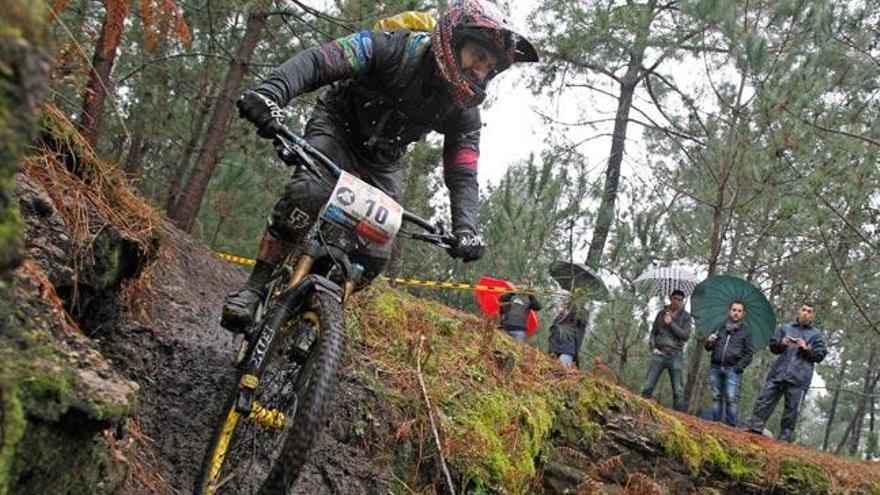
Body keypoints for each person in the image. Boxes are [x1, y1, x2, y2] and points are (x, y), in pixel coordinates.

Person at [220, 1, 539, 331]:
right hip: (338, 127)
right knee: (309, 193)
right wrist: (271, 93)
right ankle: (254, 288)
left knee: (376, 253)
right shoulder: (392, 47)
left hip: (384, 160)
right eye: (478, 55)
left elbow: (463, 172)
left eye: (489, 66)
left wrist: (466, 229)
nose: (480, 70)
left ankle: (312, 313)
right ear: (453, 39)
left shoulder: (464, 111)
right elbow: (320, 61)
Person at [747, 302, 827, 442]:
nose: (805, 313)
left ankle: (785, 438)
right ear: (798, 311)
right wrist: (782, 343)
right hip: (779, 372)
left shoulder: (816, 335)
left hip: (799, 377)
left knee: (791, 410)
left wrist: (805, 348)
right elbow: (773, 347)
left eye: (809, 311)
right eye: (803, 310)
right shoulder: (785, 328)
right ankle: (755, 427)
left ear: (812, 315)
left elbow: (819, 356)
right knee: (765, 399)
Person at [641, 289, 692, 411]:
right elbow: (653, 333)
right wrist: (653, 348)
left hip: (675, 355)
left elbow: (685, 336)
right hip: (659, 354)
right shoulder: (661, 313)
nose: (678, 302)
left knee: (678, 391)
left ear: (683, 301)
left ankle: (680, 420)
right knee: (648, 386)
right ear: (670, 298)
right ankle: (641, 411)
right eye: (675, 299)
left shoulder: (686, 317)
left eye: (680, 300)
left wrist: (671, 323)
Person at [704, 300, 753, 427]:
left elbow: (749, 354)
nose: (736, 313)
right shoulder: (720, 327)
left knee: (731, 398)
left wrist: (738, 367)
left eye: (739, 311)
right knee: (716, 396)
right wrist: (709, 341)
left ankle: (731, 427)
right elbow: (708, 348)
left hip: (733, 369)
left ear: (743, 314)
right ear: (729, 311)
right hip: (715, 366)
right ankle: (716, 424)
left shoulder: (746, 332)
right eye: (734, 310)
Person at [549, 288, 589, 366]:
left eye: (576, 296)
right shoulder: (564, 310)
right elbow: (555, 326)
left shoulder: (583, 313)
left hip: (567, 349)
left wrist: (574, 306)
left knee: (561, 372)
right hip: (555, 347)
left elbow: (581, 321)